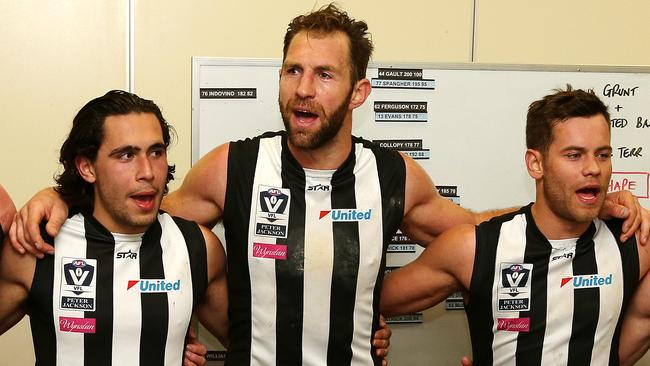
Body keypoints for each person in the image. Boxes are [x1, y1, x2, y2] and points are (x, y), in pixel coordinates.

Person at [8, 4, 649, 366]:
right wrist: (61, 196)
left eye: (323, 74)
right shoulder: (233, 166)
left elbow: (485, 232)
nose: (303, 89)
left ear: (358, 92)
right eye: (292, 70)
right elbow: (133, 219)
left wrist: (584, 202)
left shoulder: (393, 175)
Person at [380, 86, 650, 365]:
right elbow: (362, 304)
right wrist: (372, 338)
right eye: (574, 155)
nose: (593, 168)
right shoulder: (474, 248)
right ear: (536, 164)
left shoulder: (635, 241)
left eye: (603, 155)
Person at [0, 90, 228, 365]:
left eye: (156, 152)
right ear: (87, 167)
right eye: (126, 155)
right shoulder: (38, 248)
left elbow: (251, 343)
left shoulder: (199, 248)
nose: (148, 171)